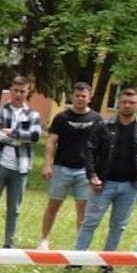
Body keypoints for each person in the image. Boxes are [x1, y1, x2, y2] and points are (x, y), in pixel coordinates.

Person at [66, 88, 137, 273]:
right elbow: (90, 151)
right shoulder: (104, 126)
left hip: (130, 185)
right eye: (124, 102)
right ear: (118, 103)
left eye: (131, 102)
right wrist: (92, 176)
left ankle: (107, 263)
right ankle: (76, 260)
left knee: (118, 226)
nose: (127, 105)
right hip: (103, 184)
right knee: (90, 222)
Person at [0, 75, 42, 249]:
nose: (18, 94)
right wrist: (19, 137)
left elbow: (35, 136)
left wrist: (11, 132)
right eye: (15, 90)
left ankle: (9, 243)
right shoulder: (0, 111)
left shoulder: (33, 114)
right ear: (10, 90)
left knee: (15, 209)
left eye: (22, 91)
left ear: (28, 92)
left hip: (20, 168)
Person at [37, 82, 101, 250]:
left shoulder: (97, 119)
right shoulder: (61, 118)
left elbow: (102, 146)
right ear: (72, 96)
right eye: (77, 96)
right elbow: (51, 141)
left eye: (83, 96)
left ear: (89, 97)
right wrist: (47, 164)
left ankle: (80, 246)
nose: (80, 99)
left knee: (83, 209)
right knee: (53, 205)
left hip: (85, 171)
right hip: (61, 168)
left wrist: (96, 171)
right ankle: (44, 240)